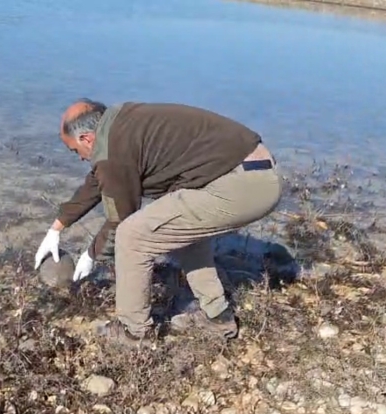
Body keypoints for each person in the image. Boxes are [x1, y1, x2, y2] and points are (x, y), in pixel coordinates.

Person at [33, 98, 282, 346]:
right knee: (179, 232)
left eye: (75, 150)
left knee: (132, 235)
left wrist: (92, 254)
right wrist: (57, 227)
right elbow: (100, 179)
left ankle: (133, 333)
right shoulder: (120, 125)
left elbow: (121, 217)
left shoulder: (113, 149)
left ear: (87, 138)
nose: (78, 158)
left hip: (243, 186)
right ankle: (218, 317)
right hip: (254, 172)